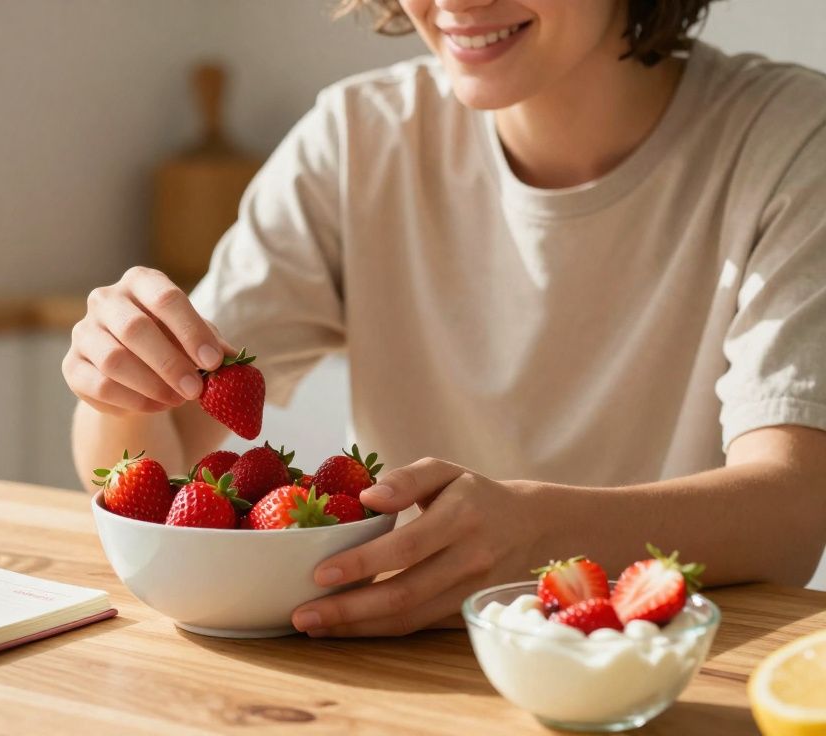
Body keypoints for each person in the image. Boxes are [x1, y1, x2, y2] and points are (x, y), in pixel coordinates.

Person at [64, 0, 826, 637]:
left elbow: (793, 510)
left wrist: (542, 533)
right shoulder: (356, 138)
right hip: (407, 673)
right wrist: (116, 384)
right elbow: (161, 458)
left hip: (669, 674)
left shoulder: (792, 141)